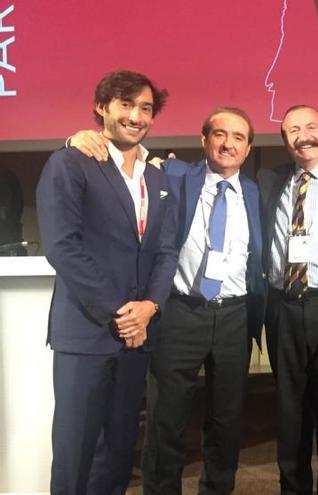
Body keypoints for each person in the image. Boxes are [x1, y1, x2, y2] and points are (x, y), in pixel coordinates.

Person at [70, 107, 266, 494]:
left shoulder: (257, 191)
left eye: (238, 137)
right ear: (204, 140)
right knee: (167, 420)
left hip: (235, 316)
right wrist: (77, 140)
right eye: (219, 134)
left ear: (248, 148)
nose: (228, 144)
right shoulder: (174, 175)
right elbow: (127, 154)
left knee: (226, 422)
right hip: (180, 313)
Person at [37, 70, 179, 493]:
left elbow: (165, 251)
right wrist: (123, 313)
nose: (136, 116)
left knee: (117, 454)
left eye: (146, 108)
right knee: (75, 451)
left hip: (136, 338)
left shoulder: (157, 177)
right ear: (102, 108)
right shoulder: (71, 162)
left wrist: (150, 307)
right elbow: (63, 247)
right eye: (126, 104)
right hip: (88, 333)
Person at [257, 104, 318, 494]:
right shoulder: (269, 180)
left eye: (311, 127)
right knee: (290, 414)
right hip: (282, 307)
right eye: (293, 130)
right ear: (285, 142)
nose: (304, 135)